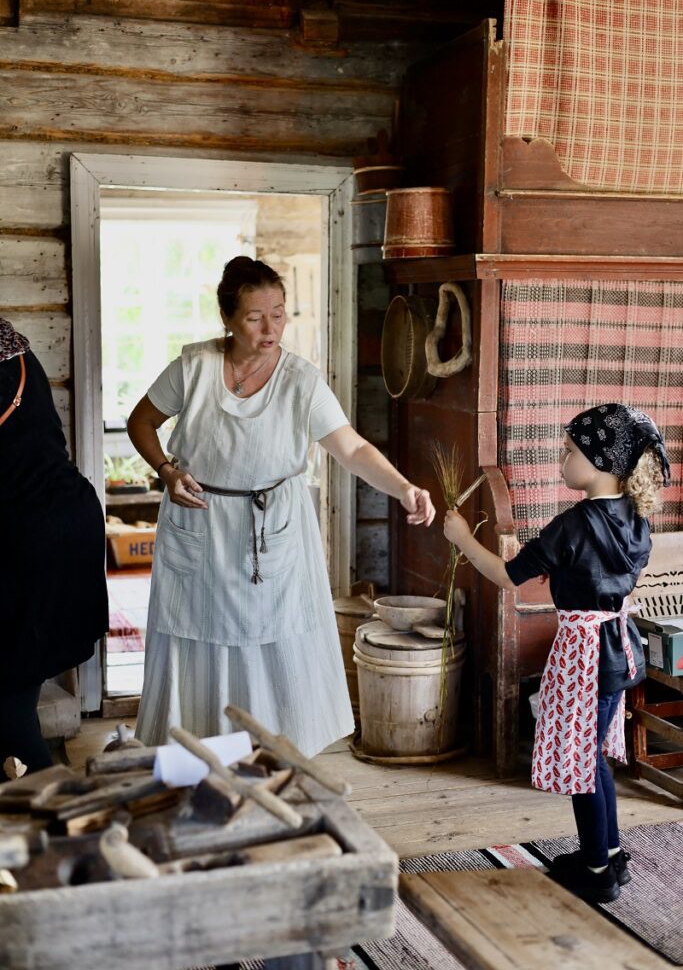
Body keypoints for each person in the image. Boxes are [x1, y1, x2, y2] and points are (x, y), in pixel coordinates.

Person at [128, 256, 435, 756]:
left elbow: (352, 448)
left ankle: (270, 755)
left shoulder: (301, 380)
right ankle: (198, 752)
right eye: (255, 317)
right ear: (227, 318)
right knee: (197, 636)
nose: (271, 328)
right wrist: (166, 470)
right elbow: (140, 421)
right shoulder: (194, 366)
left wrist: (403, 488)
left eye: (279, 312)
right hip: (199, 521)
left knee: (273, 638)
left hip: (272, 528)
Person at [444, 404, 670, 904]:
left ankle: (596, 871)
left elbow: (507, 575)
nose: (560, 461)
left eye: (569, 452)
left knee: (582, 764)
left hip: (585, 654)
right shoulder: (635, 516)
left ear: (604, 463)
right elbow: (606, 573)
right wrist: (567, 574)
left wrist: (462, 539)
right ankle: (608, 856)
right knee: (595, 761)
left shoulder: (573, 524)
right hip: (618, 650)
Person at [0, 318, 108, 781]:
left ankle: (57, 801)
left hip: (33, 533)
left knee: (10, 684)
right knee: (15, 682)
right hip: (67, 518)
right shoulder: (13, 344)